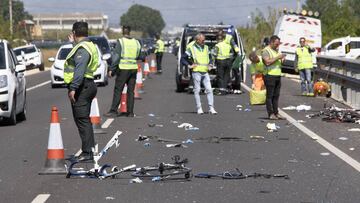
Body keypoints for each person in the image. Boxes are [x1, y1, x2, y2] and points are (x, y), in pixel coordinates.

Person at [64, 22, 98, 161]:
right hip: (88, 85)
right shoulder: (87, 45)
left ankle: (87, 152)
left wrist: (73, 88)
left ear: (74, 32)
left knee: (82, 120)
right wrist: (73, 43)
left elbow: (79, 69)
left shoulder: (83, 48)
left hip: (82, 86)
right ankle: (89, 149)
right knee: (84, 120)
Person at [104, 25, 142, 118]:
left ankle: (113, 111)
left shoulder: (121, 42)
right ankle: (130, 112)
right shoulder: (136, 42)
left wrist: (111, 69)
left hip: (123, 69)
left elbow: (116, 57)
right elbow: (139, 55)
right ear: (129, 32)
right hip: (133, 68)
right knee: (131, 91)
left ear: (122, 32)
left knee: (118, 90)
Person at [181, 33, 217, 115]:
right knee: (197, 90)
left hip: (205, 72)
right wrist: (189, 65)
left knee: (209, 89)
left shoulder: (206, 48)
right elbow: (183, 58)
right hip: (196, 72)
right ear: (197, 40)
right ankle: (199, 108)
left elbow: (211, 58)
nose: (204, 42)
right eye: (202, 40)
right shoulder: (192, 49)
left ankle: (211, 108)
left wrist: (211, 64)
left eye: (204, 40)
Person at [261, 35, 286, 120]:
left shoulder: (276, 50)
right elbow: (267, 62)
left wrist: (282, 60)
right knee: (270, 96)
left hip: (277, 75)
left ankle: (276, 113)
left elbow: (277, 62)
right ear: (271, 42)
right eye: (276, 44)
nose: (277, 45)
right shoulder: (265, 51)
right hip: (269, 75)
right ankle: (271, 114)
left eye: (278, 44)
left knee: (276, 95)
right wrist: (278, 57)